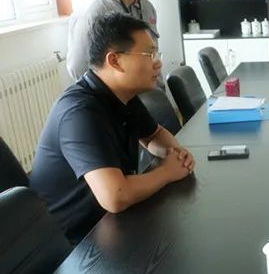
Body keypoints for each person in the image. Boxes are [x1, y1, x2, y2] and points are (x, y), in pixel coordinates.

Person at [30, 13, 194, 244]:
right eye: (149, 54)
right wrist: (167, 172)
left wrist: (175, 154)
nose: (157, 62)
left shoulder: (122, 95)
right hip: (73, 243)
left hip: (110, 223)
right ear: (115, 61)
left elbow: (153, 135)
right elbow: (115, 196)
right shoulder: (79, 113)